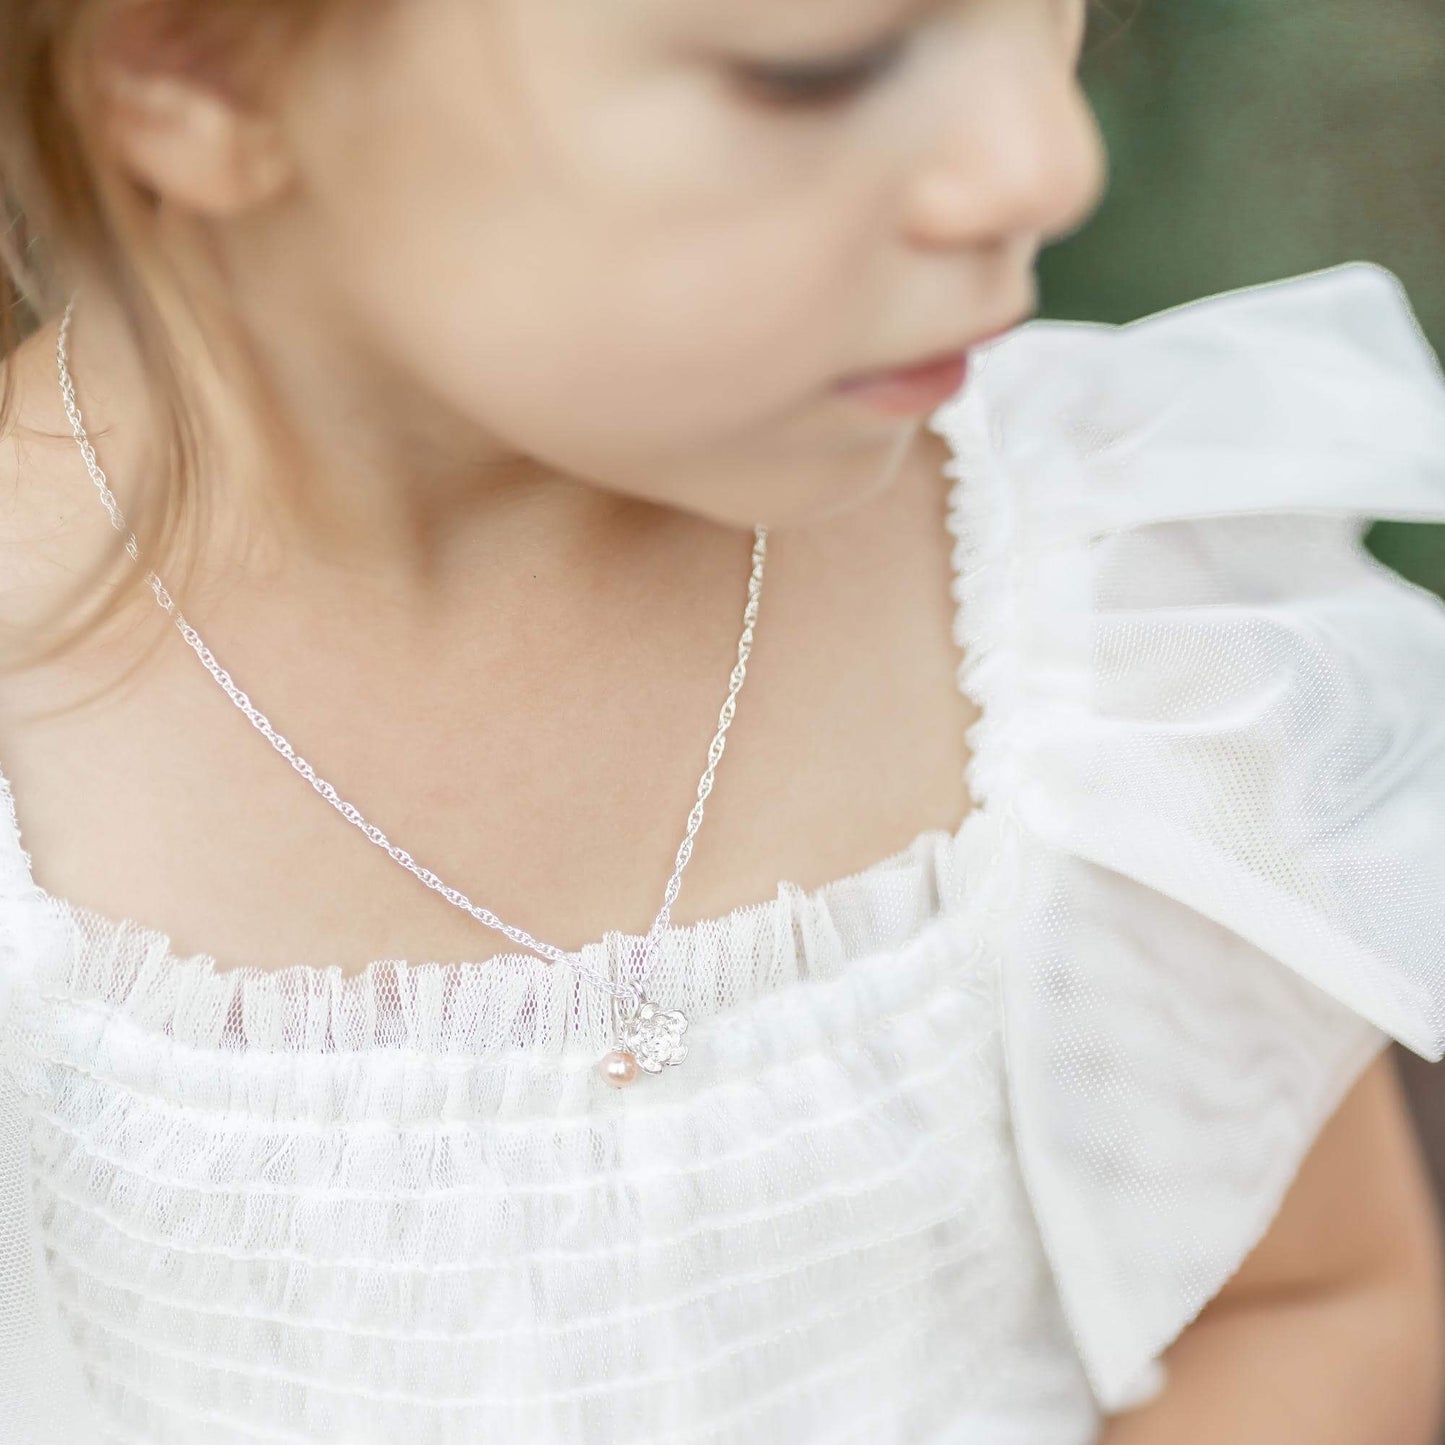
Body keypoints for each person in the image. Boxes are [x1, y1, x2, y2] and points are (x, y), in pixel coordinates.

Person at [2, 1, 1444, 1442]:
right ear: (194, 70)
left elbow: (1303, 1304)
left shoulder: (1089, 601)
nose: (1045, 163)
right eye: (814, 64)